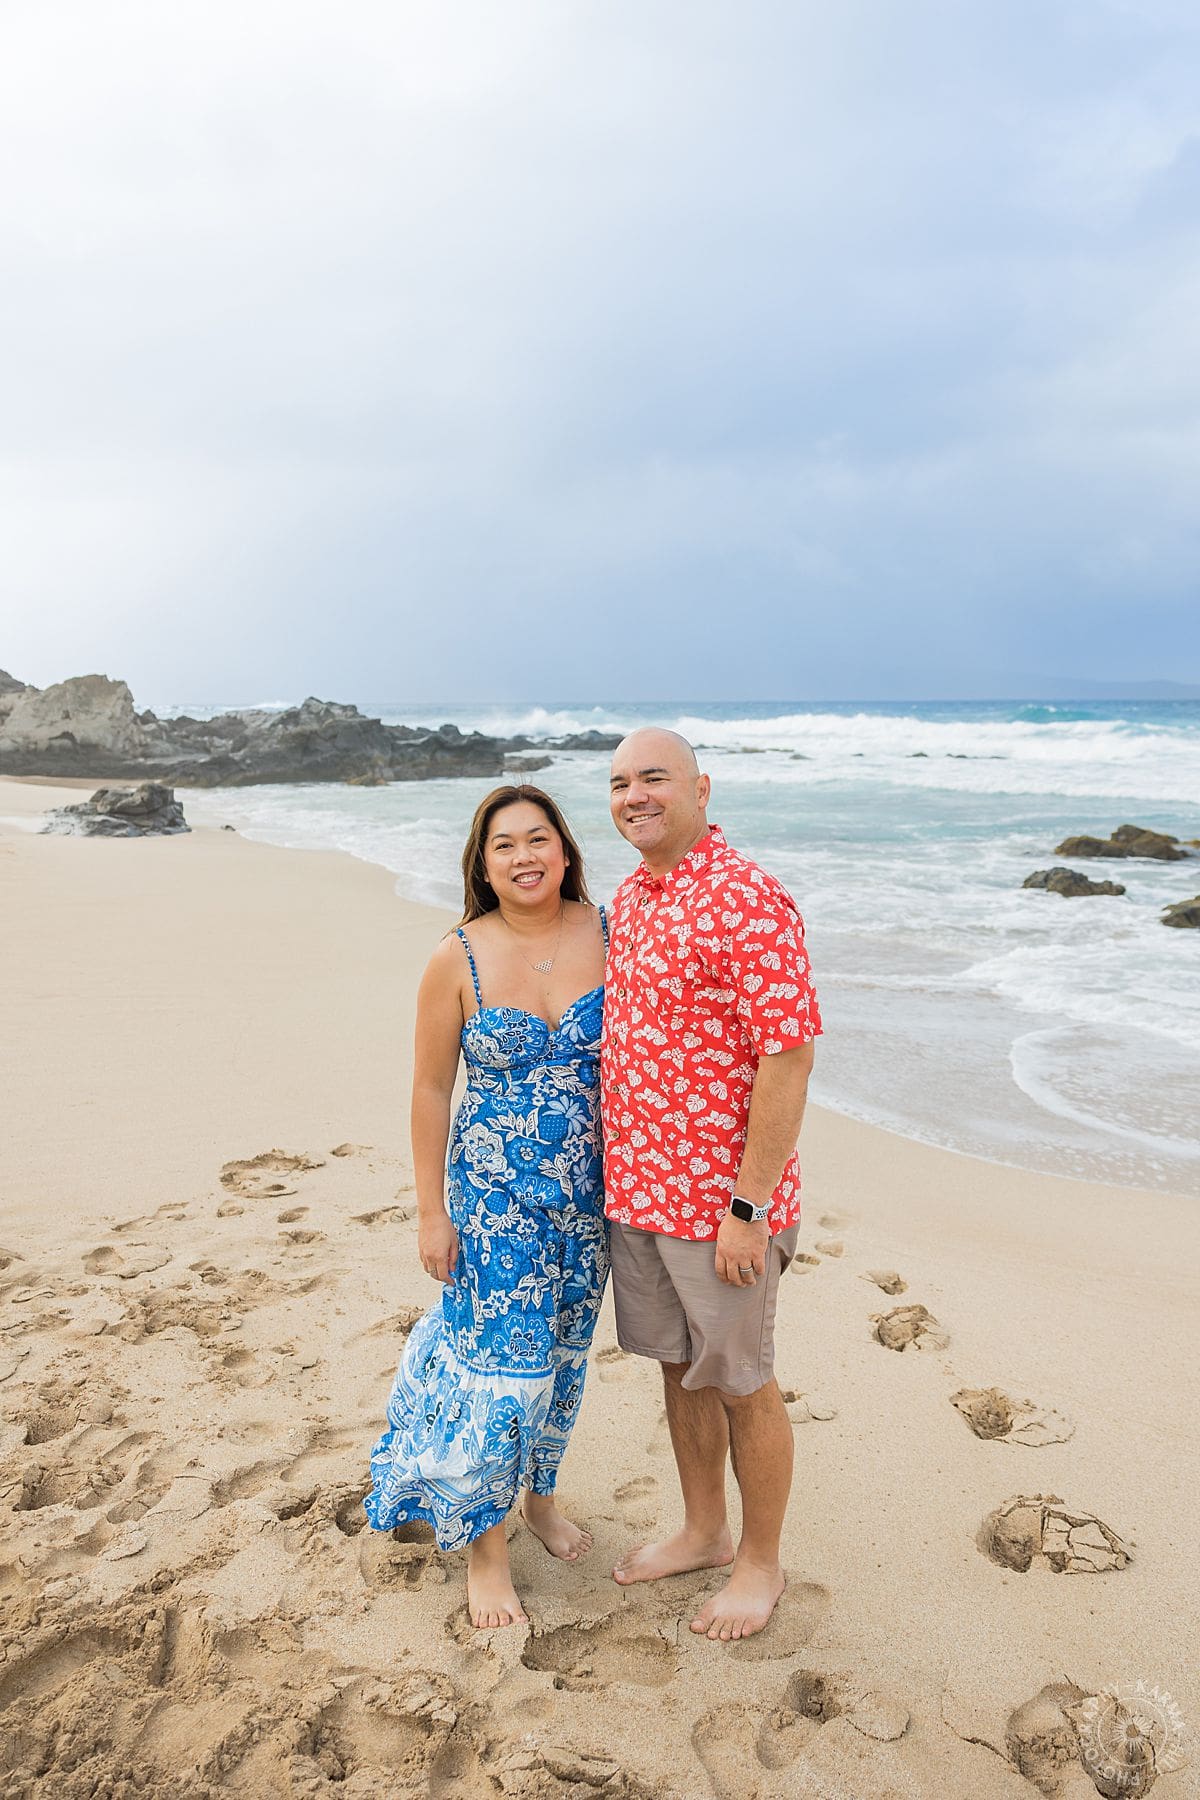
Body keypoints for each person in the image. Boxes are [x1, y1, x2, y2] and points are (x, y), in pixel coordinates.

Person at [364, 784, 610, 1630]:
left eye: (538, 838)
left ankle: (541, 1500)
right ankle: (487, 1549)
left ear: (565, 850)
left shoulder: (612, 933)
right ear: (483, 865)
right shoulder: (457, 956)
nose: (524, 856)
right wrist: (430, 1212)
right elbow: (431, 1088)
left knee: (563, 1359)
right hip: (493, 1206)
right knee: (501, 1373)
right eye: (504, 845)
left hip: (590, 1204)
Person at [601, 727, 821, 1642]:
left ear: (700, 788)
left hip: (720, 1206)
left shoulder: (746, 896)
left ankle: (759, 1564)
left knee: (741, 1382)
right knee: (677, 1367)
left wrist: (748, 1208)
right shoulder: (631, 896)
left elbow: (789, 1056)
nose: (634, 796)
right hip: (638, 1192)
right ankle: (702, 1530)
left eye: (653, 777)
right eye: (619, 783)